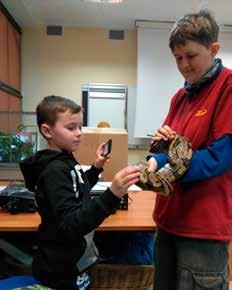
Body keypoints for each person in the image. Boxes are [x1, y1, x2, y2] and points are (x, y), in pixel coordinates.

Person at [145, 10, 232, 290]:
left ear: (213, 49)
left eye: (191, 56)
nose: (183, 65)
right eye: (177, 58)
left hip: (203, 227)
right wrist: (153, 161)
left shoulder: (228, 88)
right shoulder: (180, 97)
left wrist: (168, 164)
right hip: (168, 220)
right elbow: (163, 147)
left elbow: (219, 158)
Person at [19, 95, 141, 290]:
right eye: (71, 128)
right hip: (61, 269)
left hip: (74, 261)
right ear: (47, 131)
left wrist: (96, 168)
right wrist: (112, 194)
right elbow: (70, 225)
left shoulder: (65, 159)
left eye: (80, 127)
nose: (78, 133)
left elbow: (77, 187)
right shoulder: (54, 171)